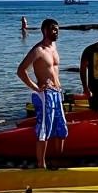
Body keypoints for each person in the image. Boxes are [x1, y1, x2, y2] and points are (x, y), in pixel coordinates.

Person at [16, 18, 67, 168]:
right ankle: (41, 164)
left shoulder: (54, 47)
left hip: (57, 92)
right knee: (44, 129)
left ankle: (59, 160)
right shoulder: (38, 50)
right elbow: (21, 71)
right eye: (53, 29)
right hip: (45, 95)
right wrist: (36, 88)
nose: (56, 31)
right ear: (44, 30)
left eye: (57, 29)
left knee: (61, 128)